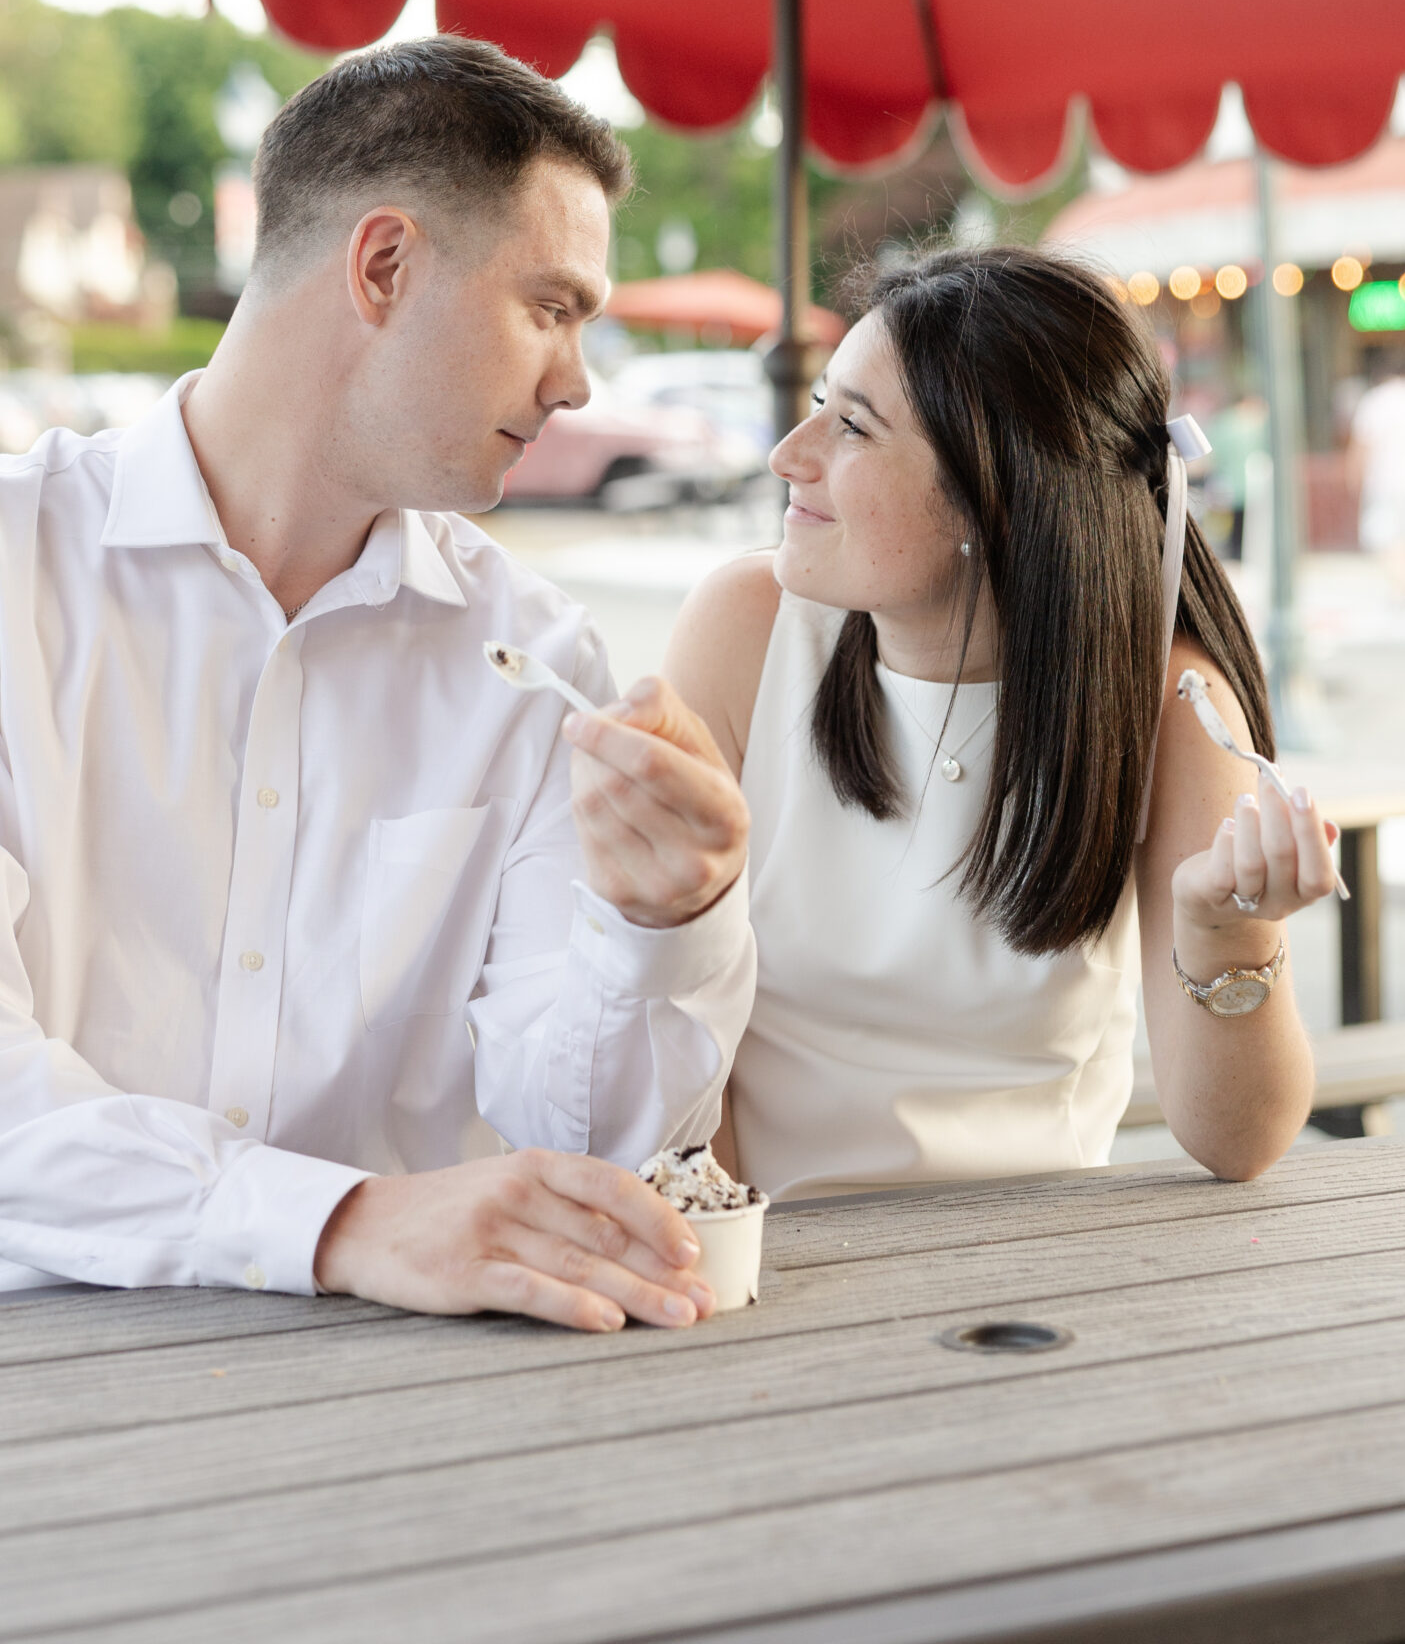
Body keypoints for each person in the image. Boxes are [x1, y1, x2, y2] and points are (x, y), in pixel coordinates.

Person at [0, 39, 753, 1330]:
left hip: (344, 1366)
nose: (576, 381)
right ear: (384, 265)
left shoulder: (533, 655)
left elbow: (583, 1139)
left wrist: (660, 924)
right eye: (554, 306)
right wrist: (338, 1220)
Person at [564, 246, 1341, 1199]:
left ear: (996, 498)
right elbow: (679, 1024)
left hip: (1031, 1266)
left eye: (849, 427)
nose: (786, 457)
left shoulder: (1168, 705)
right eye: (818, 405)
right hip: (759, 1238)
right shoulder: (746, 629)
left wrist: (1223, 934)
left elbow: (1238, 1143)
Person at [1349, 351, 1405, 603]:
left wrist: (1354, 477)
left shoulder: (1375, 400)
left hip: (1385, 482)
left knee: (1384, 535)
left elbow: (1362, 445)